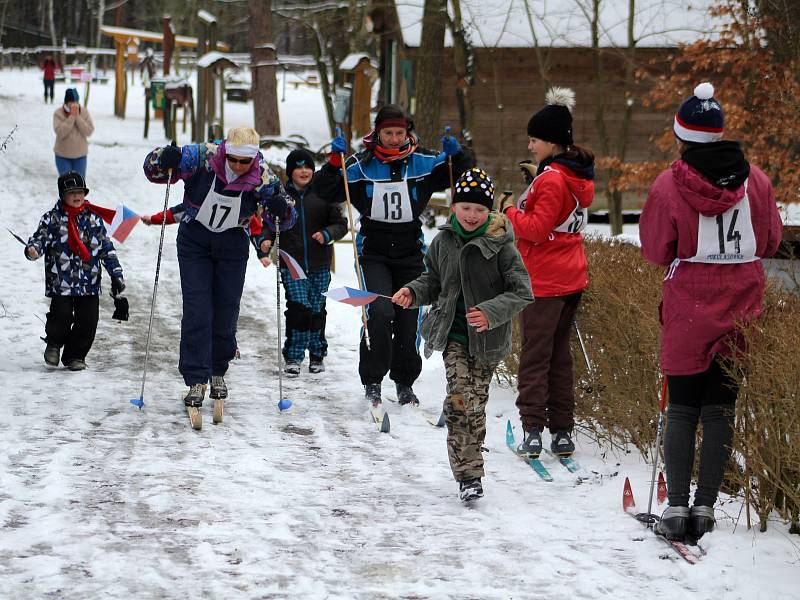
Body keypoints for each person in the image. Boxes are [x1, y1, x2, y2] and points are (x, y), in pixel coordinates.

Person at [640, 83, 783, 542]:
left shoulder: (669, 183)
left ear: (681, 135)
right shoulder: (755, 180)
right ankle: (705, 507)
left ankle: (676, 507)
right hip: (742, 301)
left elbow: (655, 247)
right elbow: (771, 241)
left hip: (689, 302)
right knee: (721, 407)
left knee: (681, 407)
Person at [313, 104, 473, 406]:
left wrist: (458, 155)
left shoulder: (422, 161)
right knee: (379, 311)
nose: (395, 138)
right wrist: (334, 163)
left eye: (400, 133)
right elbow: (325, 190)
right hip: (374, 250)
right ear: (377, 132)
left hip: (410, 250)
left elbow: (459, 174)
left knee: (408, 316)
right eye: (388, 132)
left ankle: (404, 381)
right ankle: (373, 379)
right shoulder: (361, 164)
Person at [392, 168, 533, 502]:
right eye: (466, 207)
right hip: (453, 337)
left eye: (480, 209)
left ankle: (471, 461)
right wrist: (413, 291)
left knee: (474, 406)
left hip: (487, 341)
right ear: (454, 207)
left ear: (490, 212)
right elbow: (433, 281)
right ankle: (469, 476)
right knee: (458, 402)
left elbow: (522, 291)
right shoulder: (443, 242)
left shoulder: (501, 247)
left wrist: (490, 311)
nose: (472, 215)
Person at [143, 126, 296, 408]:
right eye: (234, 159)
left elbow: (286, 216)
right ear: (225, 151)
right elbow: (153, 170)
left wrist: (280, 208)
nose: (238, 166)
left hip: (232, 242)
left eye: (244, 162)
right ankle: (195, 378)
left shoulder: (263, 175)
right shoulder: (202, 156)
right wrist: (164, 158)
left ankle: (217, 371)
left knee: (226, 310)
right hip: (195, 239)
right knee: (197, 308)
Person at [499, 87, 595, 459]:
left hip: (545, 280)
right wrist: (532, 186)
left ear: (552, 141)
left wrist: (508, 210)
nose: (529, 146)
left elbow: (536, 229)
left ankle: (533, 430)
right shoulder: (573, 175)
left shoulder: (553, 178)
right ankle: (562, 431)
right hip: (571, 276)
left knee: (536, 358)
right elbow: (555, 220)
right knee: (559, 357)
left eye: (534, 139)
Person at [24, 171, 125, 371]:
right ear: (63, 195)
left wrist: (116, 273)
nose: (78, 196)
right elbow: (39, 239)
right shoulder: (51, 219)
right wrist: (33, 250)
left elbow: (106, 247)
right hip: (61, 280)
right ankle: (54, 343)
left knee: (88, 321)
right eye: (72, 192)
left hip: (89, 281)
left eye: (81, 191)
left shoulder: (94, 219)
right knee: (60, 316)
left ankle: (75, 355)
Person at [259, 149, 347, 376]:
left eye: (308, 167)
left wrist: (327, 233)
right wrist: (266, 239)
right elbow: (269, 222)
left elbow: (340, 224)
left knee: (317, 309)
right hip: (292, 263)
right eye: (299, 167)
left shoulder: (323, 194)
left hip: (319, 263)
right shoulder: (281, 197)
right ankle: (293, 356)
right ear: (290, 172)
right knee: (300, 308)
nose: (304, 171)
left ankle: (317, 355)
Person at [53, 88, 94, 178]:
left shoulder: (84, 112)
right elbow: (60, 132)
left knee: (79, 187)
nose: (74, 105)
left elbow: (89, 131)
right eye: (71, 102)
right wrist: (71, 117)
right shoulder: (58, 113)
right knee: (67, 186)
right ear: (66, 102)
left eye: (76, 102)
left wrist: (78, 117)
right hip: (63, 156)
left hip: (80, 156)